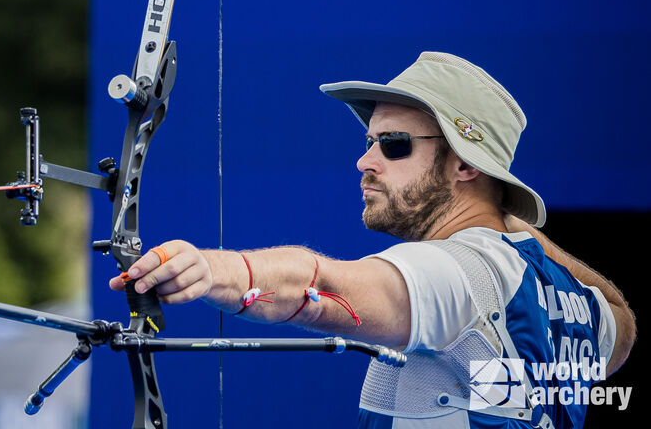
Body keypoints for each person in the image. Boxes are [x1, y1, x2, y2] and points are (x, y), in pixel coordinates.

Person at [110, 51, 635, 428]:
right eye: (369, 143)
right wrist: (514, 227)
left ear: (465, 165)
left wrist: (215, 270)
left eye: (395, 145)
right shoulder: (567, 298)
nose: (365, 162)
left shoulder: (454, 273)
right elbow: (623, 321)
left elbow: (320, 285)